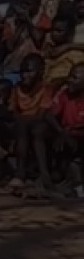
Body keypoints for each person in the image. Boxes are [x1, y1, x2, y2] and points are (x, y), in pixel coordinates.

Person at [10, 53, 56, 195]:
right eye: (23, 71)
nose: (25, 75)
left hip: (39, 124)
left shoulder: (46, 89)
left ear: (40, 72)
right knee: (21, 127)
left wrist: (22, 119)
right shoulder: (17, 88)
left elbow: (41, 115)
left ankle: (41, 173)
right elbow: (13, 110)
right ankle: (20, 173)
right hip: (22, 124)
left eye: (29, 71)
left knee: (34, 129)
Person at [49, 63, 84, 196]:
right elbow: (49, 115)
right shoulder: (64, 92)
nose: (69, 80)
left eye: (75, 78)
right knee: (42, 130)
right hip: (67, 136)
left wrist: (68, 131)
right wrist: (61, 131)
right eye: (70, 76)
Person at [44, 17, 84, 87]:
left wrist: (68, 46)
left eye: (59, 31)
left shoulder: (76, 54)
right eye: (52, 30)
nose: (54, 33)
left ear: (70, 33)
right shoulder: (47, 48)